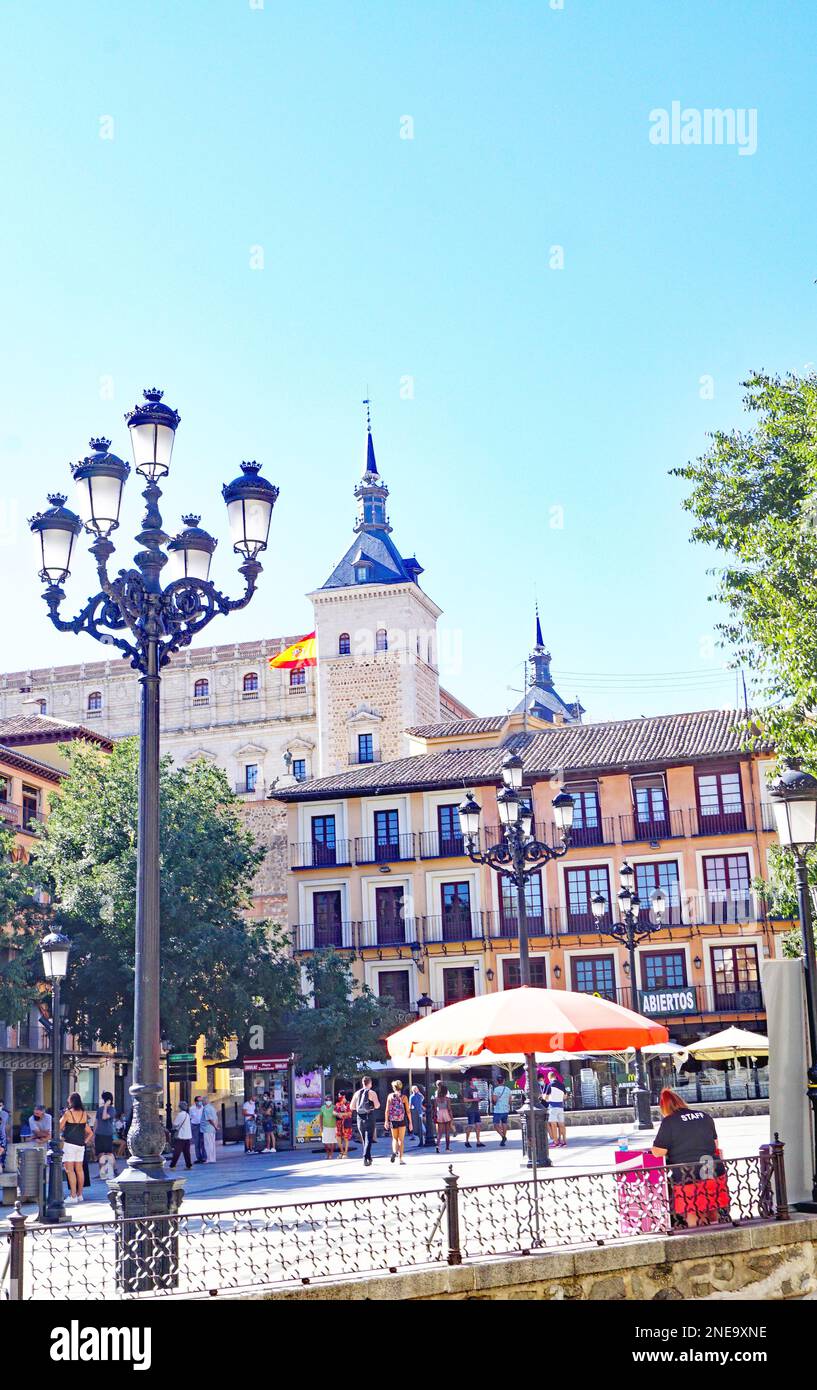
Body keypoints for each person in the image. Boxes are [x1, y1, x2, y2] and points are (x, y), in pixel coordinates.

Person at [652, 1088, 726, 1228]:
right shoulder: (704, 1116)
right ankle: (716, 1232)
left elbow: (658, 1152)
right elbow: (715, 1144)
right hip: (712, 1169)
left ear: (664, 1107)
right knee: (711, 1207)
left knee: (692, 1210)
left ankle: (696, 1237)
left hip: (688, 1174)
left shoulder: (669, 1122)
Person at [60, 1093, 93, 1204]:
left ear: (71, 1101)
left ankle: (73, 1196)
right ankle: (80, 1195)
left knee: (70, 1170)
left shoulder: (68, 1113)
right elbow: (90, 1133)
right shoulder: (84, 1114)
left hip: (69, 1144)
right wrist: (85, 1142)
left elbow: (59, 1127)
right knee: (79, 1170)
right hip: (80, 1145)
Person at [350, 1076, 380, 1166]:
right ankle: (365, 1157)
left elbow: (351, 1107)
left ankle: (368, 1157)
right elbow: (377, 1105)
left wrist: (359, 1108)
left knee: (364, 1139)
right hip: (369, 1116)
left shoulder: (357, 1093)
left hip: (359, 1117)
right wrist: (371, 1107)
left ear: (363, 1083)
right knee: (369, 1138)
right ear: (369, 1083)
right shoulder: (372, 1093)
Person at [385, 1080, 412, 1164]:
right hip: (402, 1119)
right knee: (401, 1140)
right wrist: (410, 1122)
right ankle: (400, 1159)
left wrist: (386, 1121)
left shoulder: (390, 1096)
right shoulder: (404, 1097)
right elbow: (408, 1111)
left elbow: (387, 1110)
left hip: (393, 1119)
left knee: (394, 1138)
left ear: (393, 1087)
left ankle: (394, 1151)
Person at [94, 1091, 117, 1178]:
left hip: (107, 1133)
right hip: (99, 1133)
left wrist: (106, 1106)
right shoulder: (99, 1109)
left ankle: (114, 1169)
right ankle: (101, 1172)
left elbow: (104, 1117)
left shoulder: (112, 1110)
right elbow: (96, 1121)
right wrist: (94, 1133)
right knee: (100, 1154)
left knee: (109, 1153)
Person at [545, 1072, 567, 1149]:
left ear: (549, 1077)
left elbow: (546, 1098)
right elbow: (565, 1097)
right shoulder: (562, 1085)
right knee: (562, 1125)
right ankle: (564, 1141)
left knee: (553, 1125)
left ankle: (556, 1142)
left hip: (553, 1107)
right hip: (560, 1107)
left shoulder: (550, 1085)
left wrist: (545, 1097)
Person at [169, 1100, 193, 1169]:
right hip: (187, 1136)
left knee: (177, 1151)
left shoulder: (180, 1115)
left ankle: (172, 1165)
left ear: (180, 1107)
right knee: (187, 1152)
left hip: (181, 1136)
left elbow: (175, 1124)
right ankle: (188, 1165)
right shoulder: (187, 1115)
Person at [433, 1082, 454, 1153]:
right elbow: (449, 1109)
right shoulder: (447, 1099)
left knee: (439, 1133)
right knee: (447, 1132)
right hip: (446, 1114)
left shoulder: (436, 1099)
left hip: (439, 1114)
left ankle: (437, 1146)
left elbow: (435, 1109)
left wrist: (435, 1115)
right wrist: (452, 1117)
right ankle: (447, 1148)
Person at [463, 1079, 485, 1149]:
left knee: (478, 1125)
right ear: (470, 1081)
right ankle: (466, 1141)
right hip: (470, 1110)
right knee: (470, 1126)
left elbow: (476, 1098)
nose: (475, 1081)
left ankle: (478, 1141)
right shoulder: (467, 1089)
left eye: (476, 1080)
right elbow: (465, 1100)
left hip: (476, 1109)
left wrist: (479, 1099)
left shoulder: (476, 1089)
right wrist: (474, 1100)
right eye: (474, 1080)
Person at [491, 1077, 512, 1146]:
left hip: (498, 1110)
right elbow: (510, 1100)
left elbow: (494, 1099)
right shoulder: (508, 1089)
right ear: (504, 1081)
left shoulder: (496, 1089)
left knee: (495, 1124)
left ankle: (503, 1136)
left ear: (497, 1082)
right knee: (504, 1123)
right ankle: (503, 1139)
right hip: (505, 1109)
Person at [334, 1091, 353, 1158]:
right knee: (338, 1137)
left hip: (346, 1122)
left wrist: (342, 1114)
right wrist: (337, 1114)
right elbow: (334, 1112)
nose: (339, 1097)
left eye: (340, 1095)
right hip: (338, 1123)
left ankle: (345, 1153)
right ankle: (341, 1151)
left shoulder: (348, 1104)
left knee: (346, 1138)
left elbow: (350, 1113)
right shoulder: (337, 1104)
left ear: (344, 1096)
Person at [201, 1096, 218, 1163]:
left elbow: (209, 1119)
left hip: (207, 1129)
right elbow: (216, 1118)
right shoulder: (212, 1108)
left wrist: (215, 1126)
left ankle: (209, 1159)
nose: (201, 1102)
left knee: (208, 1144)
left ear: (205, 1101)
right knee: (212, 1144)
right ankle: (213, 1158)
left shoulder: (206, 1109)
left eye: (202, 1101)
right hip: (212, 1129)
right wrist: (216, 1126)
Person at [189, 1096, 204, 1162]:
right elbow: (190, 1117)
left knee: (203, 1142)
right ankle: (199, 1158)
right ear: (195, 1102)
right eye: (199, 1101)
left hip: (202, 1126)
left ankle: (204, 1157)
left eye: (201, 1100)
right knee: (197, 1142)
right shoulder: (192, 1108)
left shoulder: (203, 1108)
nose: (200, 1102)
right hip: (195, 1126)